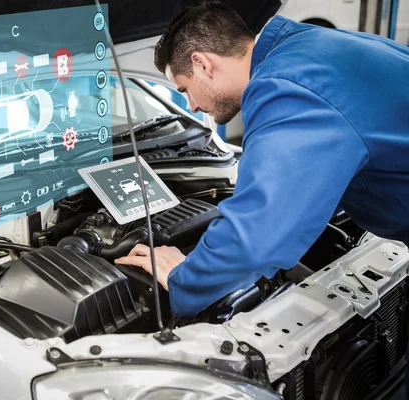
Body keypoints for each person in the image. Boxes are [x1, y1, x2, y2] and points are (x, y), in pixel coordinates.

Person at [114, 1, 409, 319]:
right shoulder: (304, 47)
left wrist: (185, 277)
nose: (192, 106)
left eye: (185, 89)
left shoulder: (288, 88)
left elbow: (257, 238)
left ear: (203, 64)